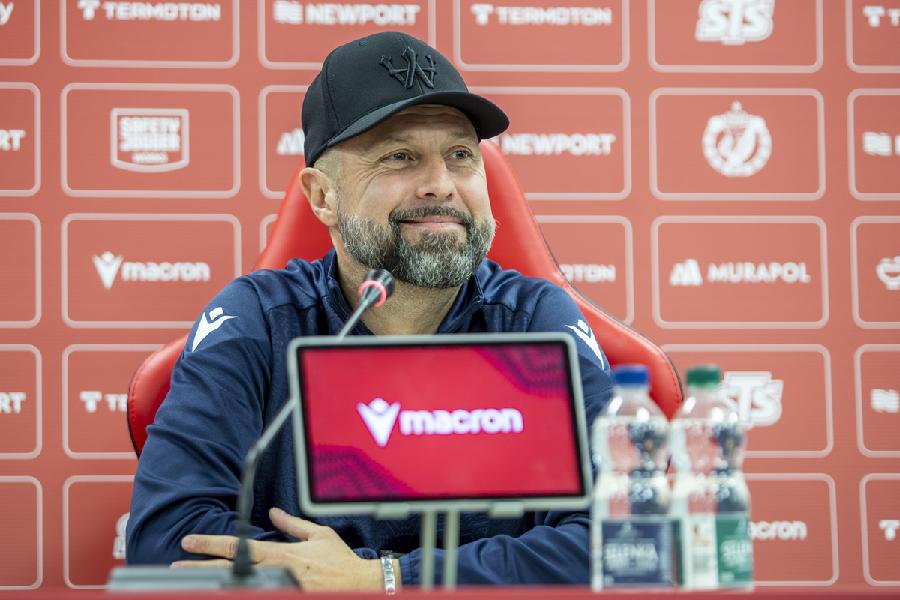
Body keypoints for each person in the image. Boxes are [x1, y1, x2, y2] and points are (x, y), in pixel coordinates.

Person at [126, 31, 613, 590]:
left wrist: (383, 579)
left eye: (460, 156)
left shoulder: (534, 323)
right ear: (322, 197)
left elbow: (624, 538)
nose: (440, 185)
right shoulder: (258, 320)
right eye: (399, 157)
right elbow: (166, 540)